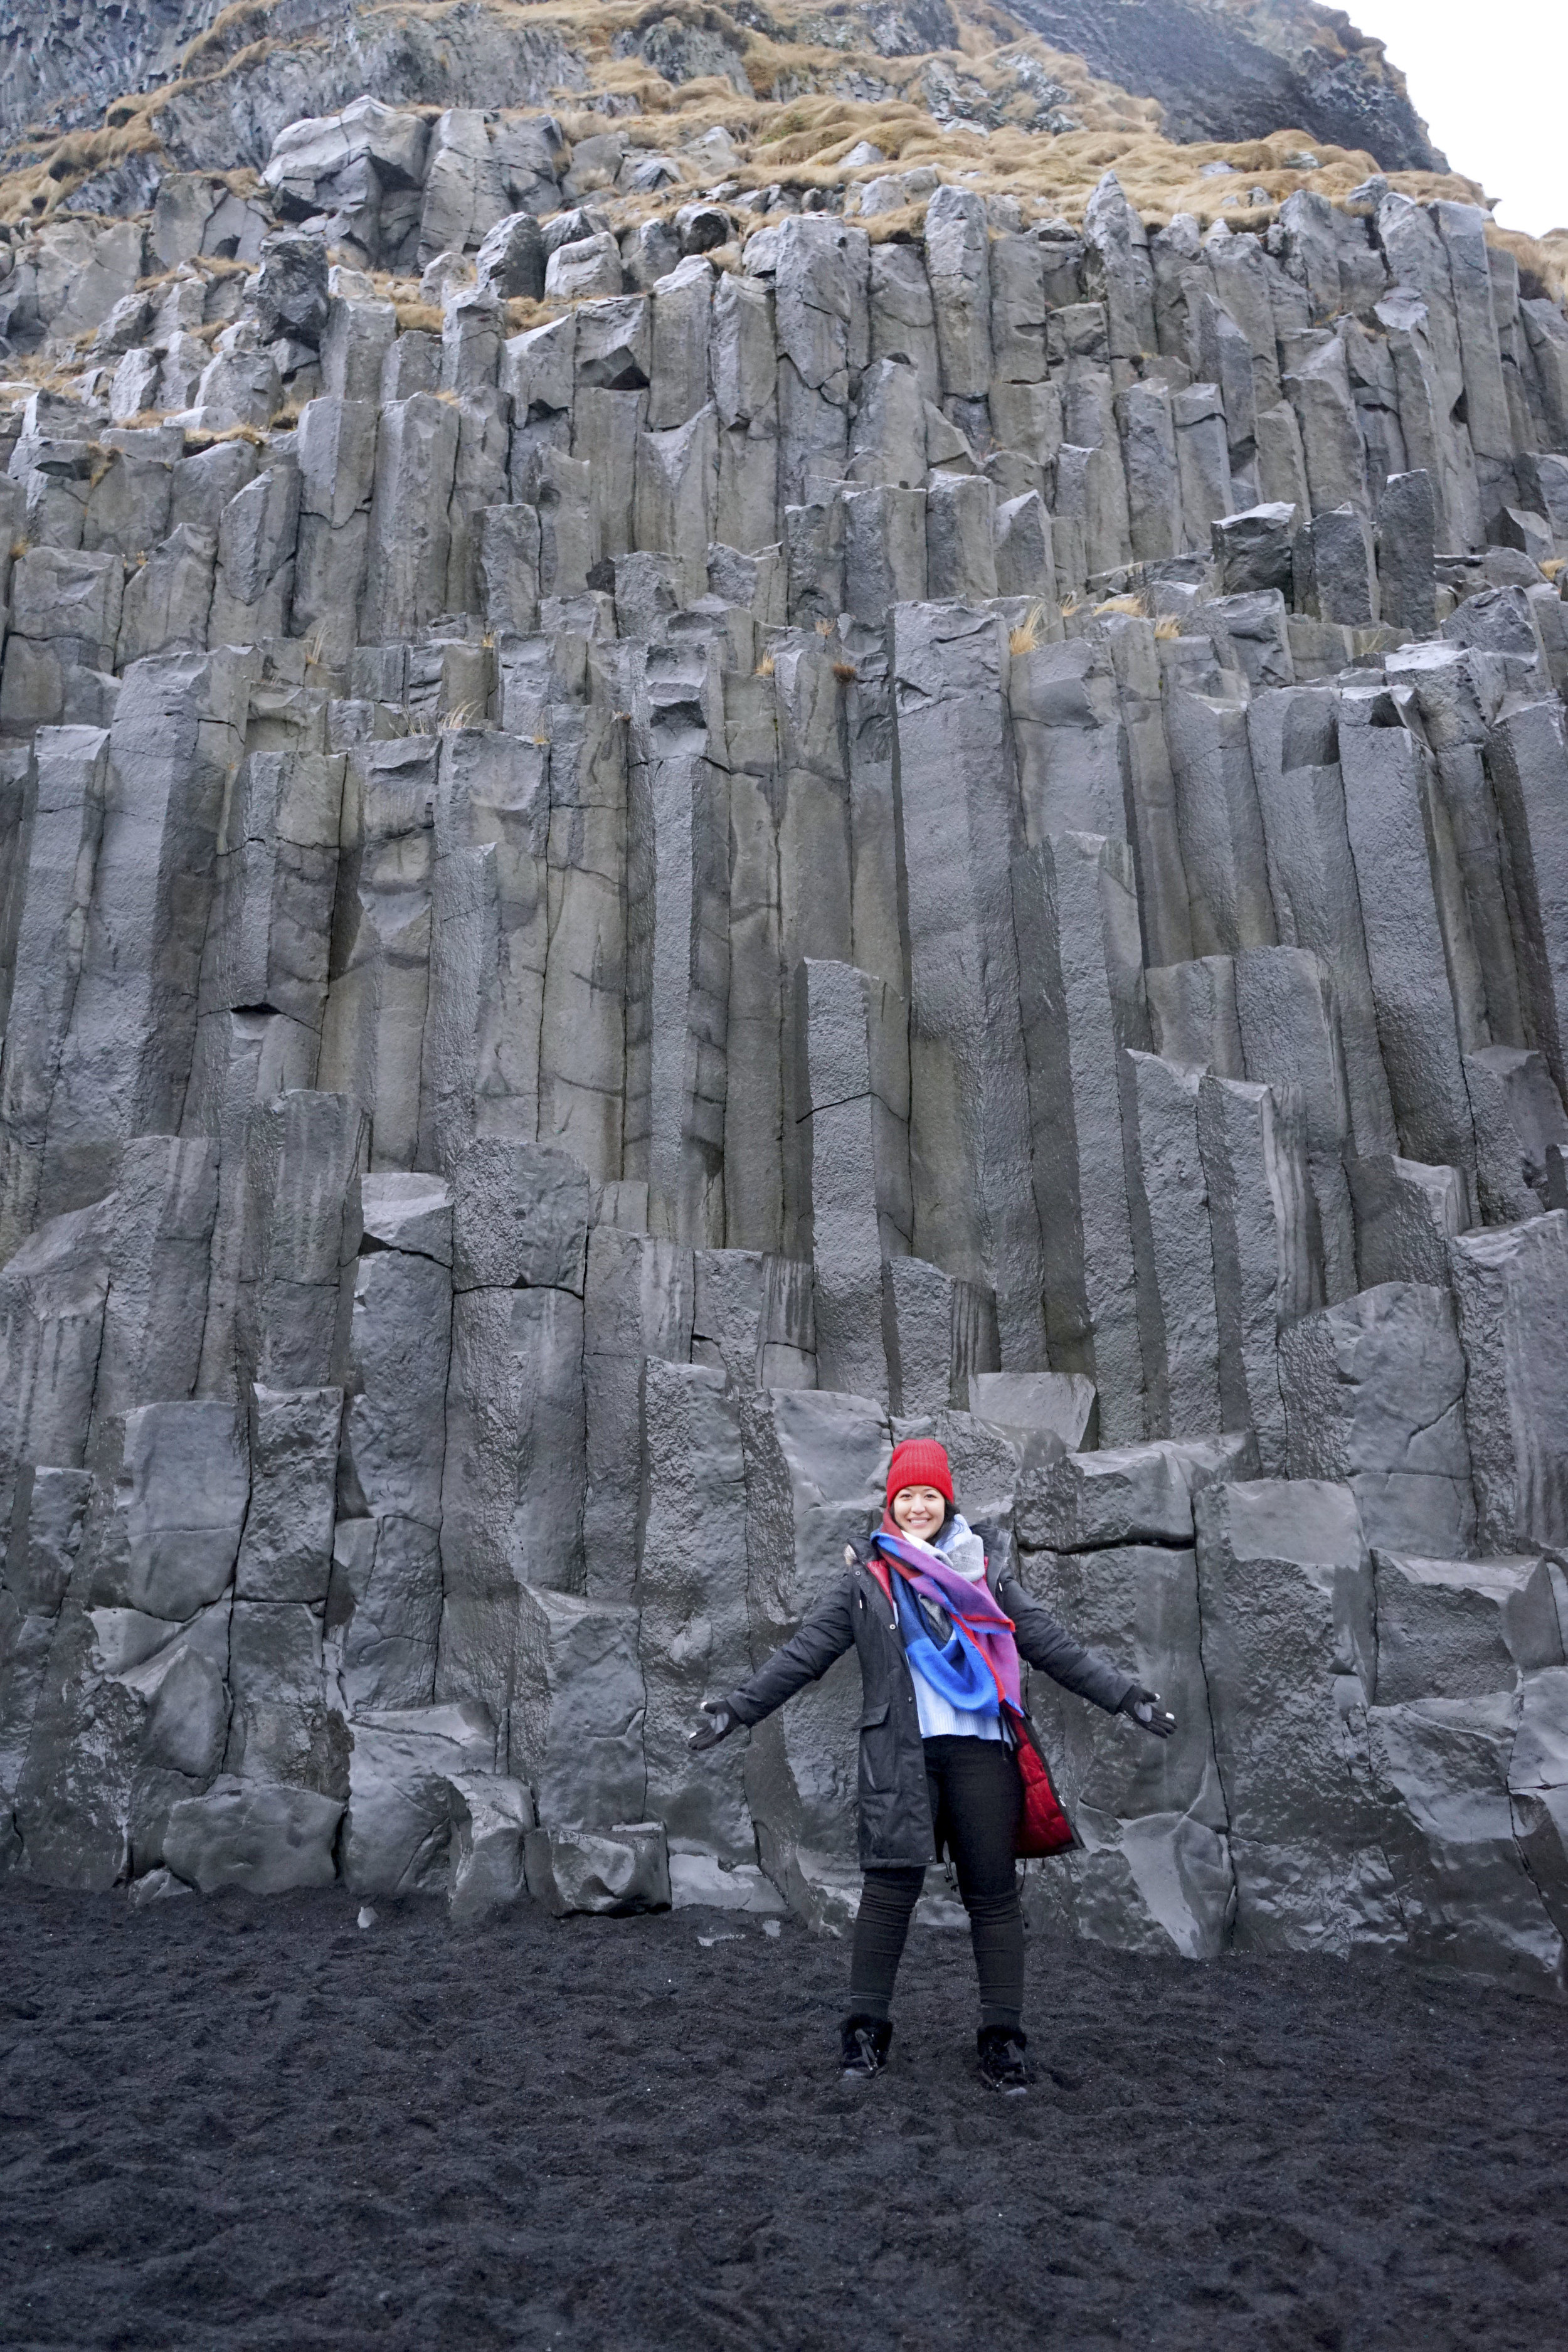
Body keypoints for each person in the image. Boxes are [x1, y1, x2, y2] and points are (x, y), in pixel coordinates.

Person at [689, 1436, 1175, 2094]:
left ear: (946, 1502)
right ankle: (864, 2033)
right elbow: (803, 1655)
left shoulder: (986, 1576)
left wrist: (1126, 1697)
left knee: (994, 1897)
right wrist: (736, 1710)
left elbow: (1051, 1645)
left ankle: (1002, 2041)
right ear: (891, 1504)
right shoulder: (868, 1582)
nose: (918, 1506)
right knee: (889, 1894)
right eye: (906, 1496)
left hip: (980, 1752)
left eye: (929, 1495)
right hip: (902, 1755)